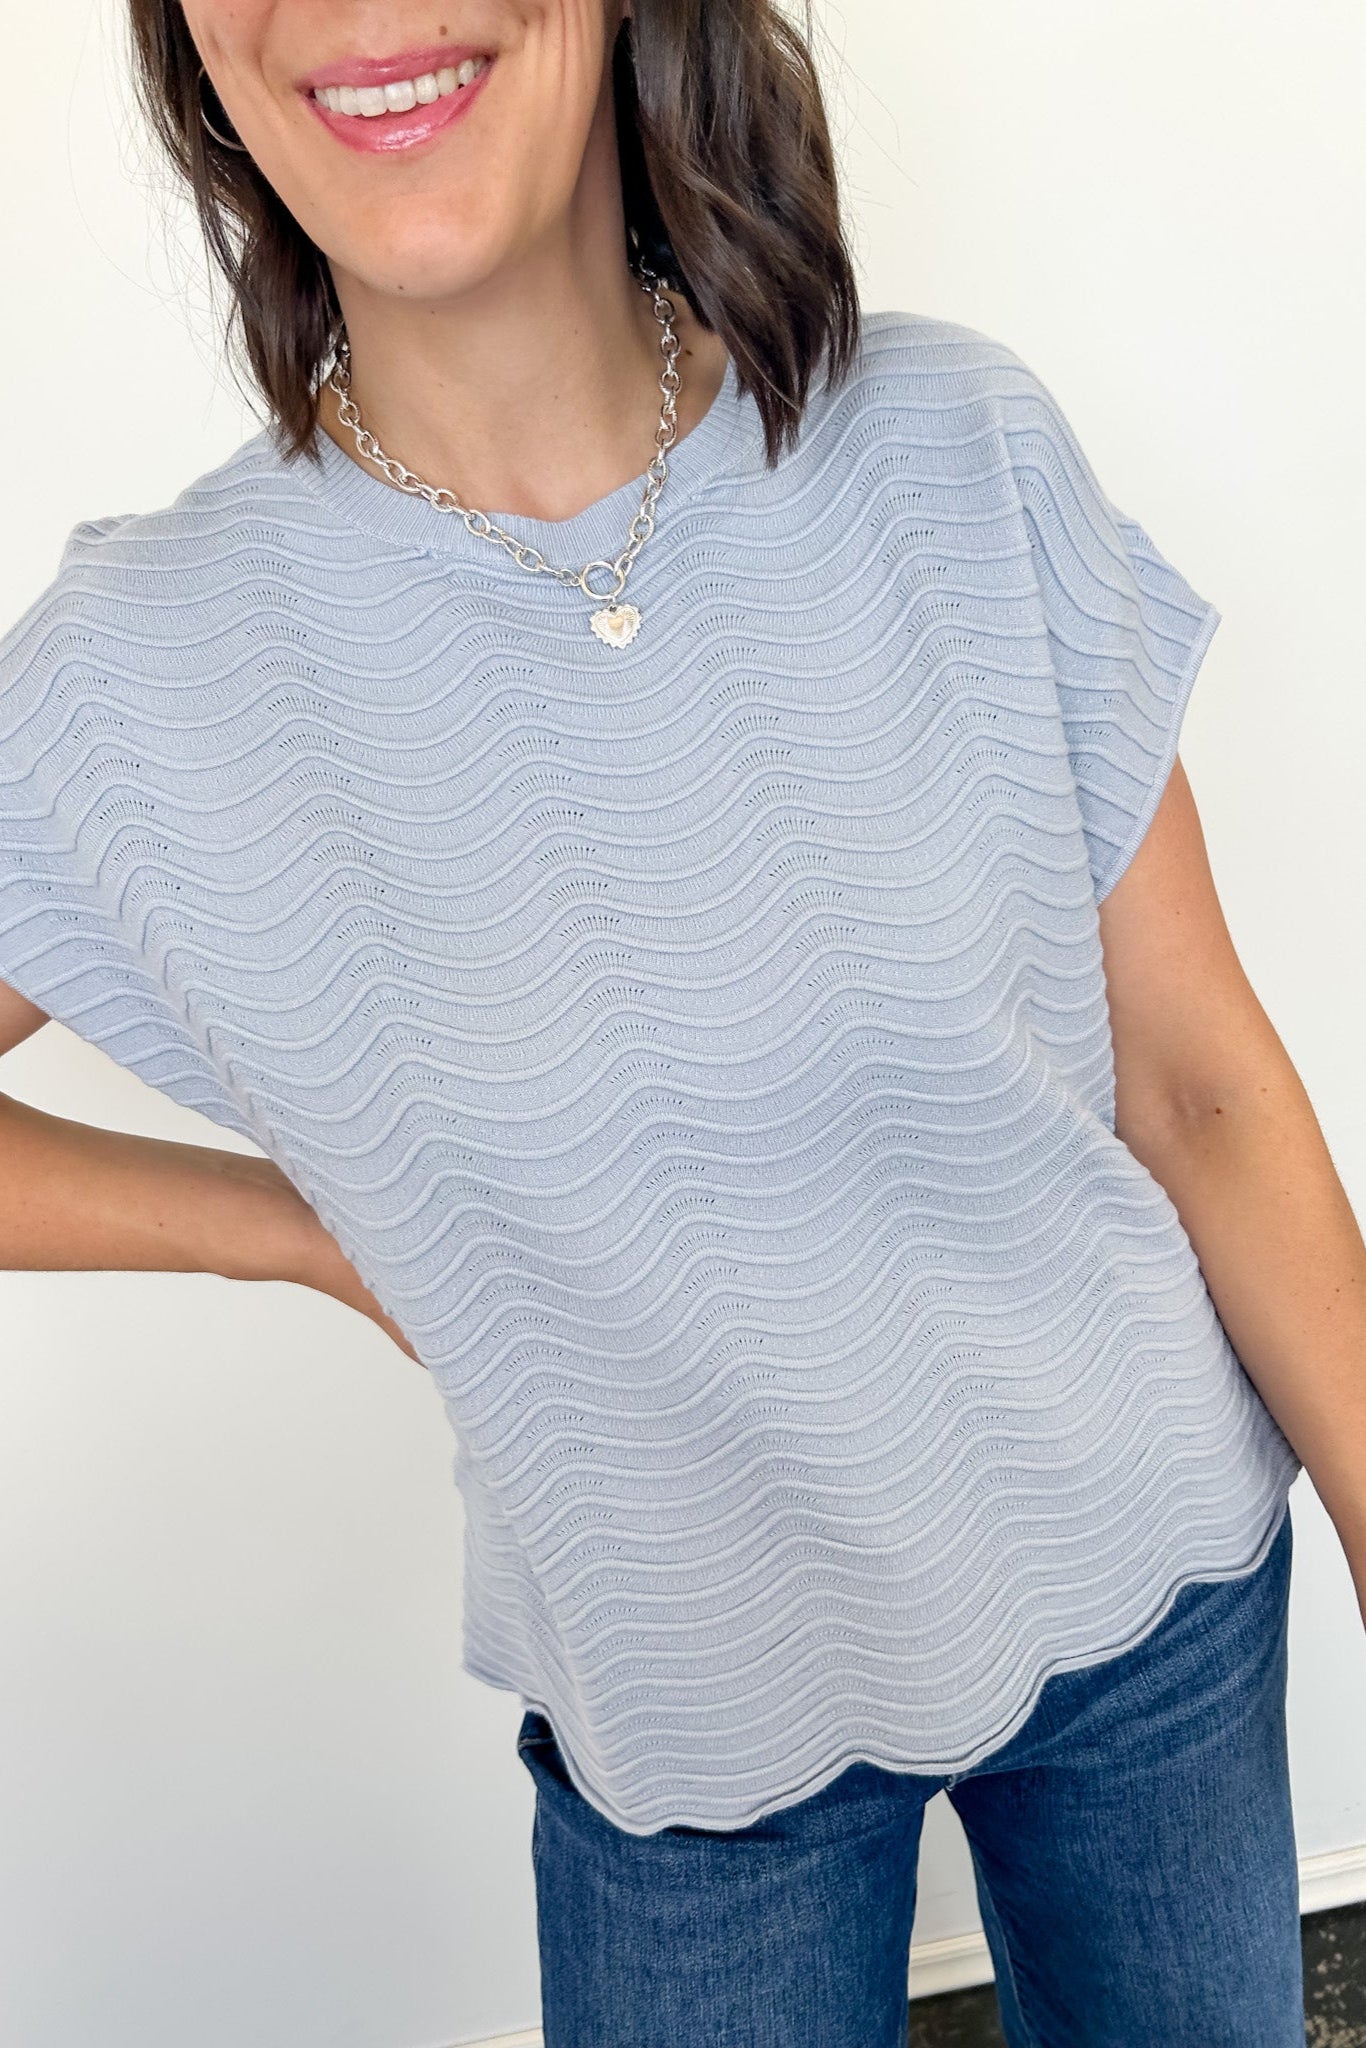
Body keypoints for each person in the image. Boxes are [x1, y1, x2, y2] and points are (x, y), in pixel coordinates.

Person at [0, 3, 1361, 2043]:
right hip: (680, 1699)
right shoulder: (134, 680)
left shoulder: (948, 444)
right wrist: (296, 1229)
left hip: (1145, 1574)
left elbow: (1196, 1082)